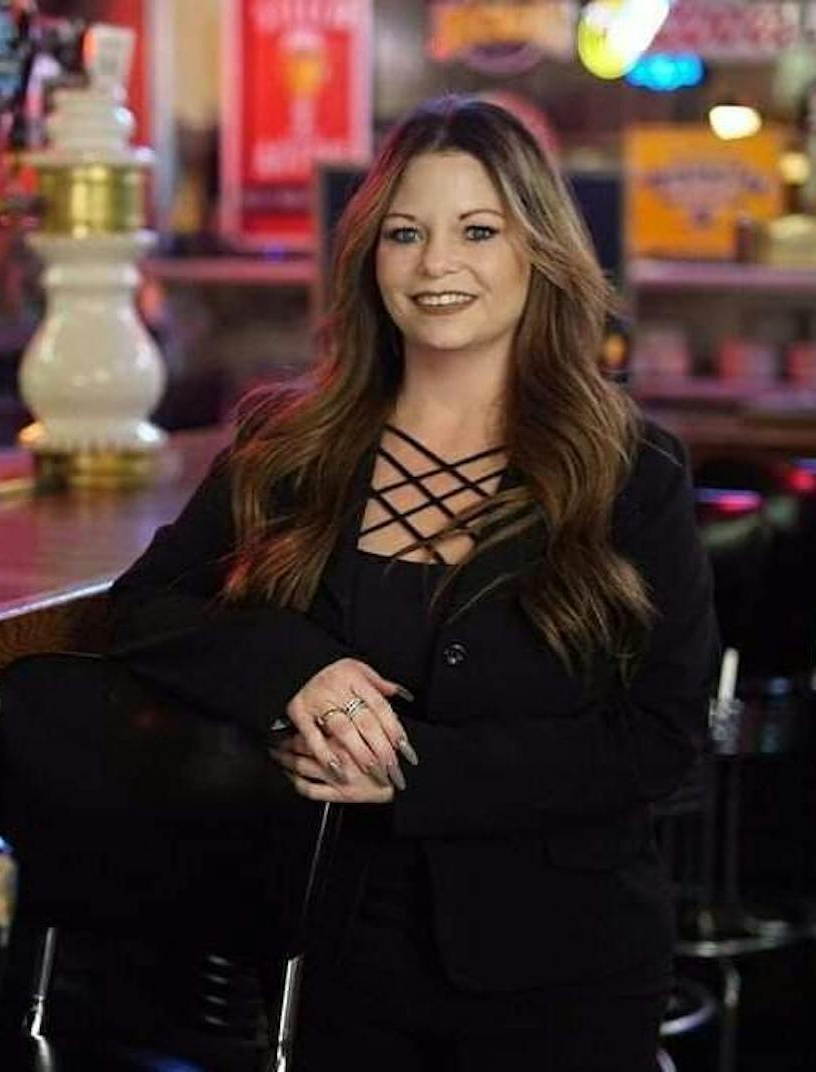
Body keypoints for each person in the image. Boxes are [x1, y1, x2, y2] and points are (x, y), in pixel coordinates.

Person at [107, 95, 717, 1071]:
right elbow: (138, 610)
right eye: (406, 233)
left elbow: (660, 737)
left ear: (539, 250)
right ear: (367, 257)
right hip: (336, 949)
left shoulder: (632, 469)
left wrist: (412, 773)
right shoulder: (288, 445)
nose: (437, 265)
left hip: (564, 965)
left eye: (479, 230)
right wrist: (293, 668)